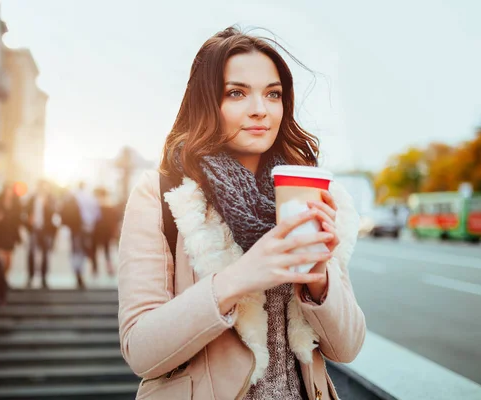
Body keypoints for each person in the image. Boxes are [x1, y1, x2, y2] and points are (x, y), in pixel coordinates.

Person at [117, 27, 366, 399]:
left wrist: (319, 278)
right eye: (236, 93)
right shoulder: (165, 194)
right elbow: (140, 350)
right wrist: (239, 278)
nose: (260, 110)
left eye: (273, 94)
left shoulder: (313, 193)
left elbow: (347, 348)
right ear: (206, 103)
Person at [24, 180, 57, 289]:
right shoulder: (32, 198)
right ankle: (30, 276)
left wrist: (47, 205)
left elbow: (55, 212)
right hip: (34, 229)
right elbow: (24, 211)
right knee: (31, 253)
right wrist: (29, 218)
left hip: (45, 229)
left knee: (45, 254)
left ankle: (43, 278)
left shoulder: (50, 199)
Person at [0, 183, 22, 276]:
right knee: (0, 258)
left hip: (10, 234)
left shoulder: (16, 204)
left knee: (8, 259)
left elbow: (19, 219)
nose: (8, 193)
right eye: (7, 190)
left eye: (10, 190)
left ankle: (4, 279)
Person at [92, 187, 117, 276]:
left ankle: (95, 269)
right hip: (107, 232)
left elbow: (94, 219)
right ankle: (109, 269)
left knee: (94, 250)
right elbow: (114, 221)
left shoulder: (97, 205)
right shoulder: (110, 205)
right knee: (107, 251)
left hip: (97, 231)